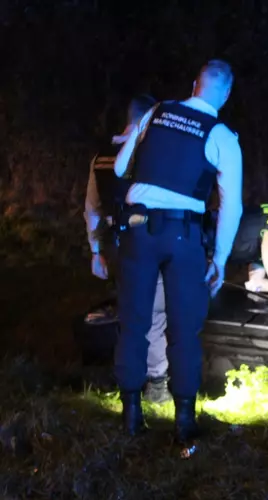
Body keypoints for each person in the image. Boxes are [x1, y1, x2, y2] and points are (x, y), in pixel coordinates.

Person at [112, 59, 244, 443]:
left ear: (194, 84)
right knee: (184, 329)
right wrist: (219, 259)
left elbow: (121, 168)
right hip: (184, 236)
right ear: (226, 94)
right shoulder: (222, 136)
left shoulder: (157, 112)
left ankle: (131, 416)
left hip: (138, 230)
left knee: (134, 323)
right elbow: (231, 205)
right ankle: (184, 421)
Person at [83, 94, 171, 405]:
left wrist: (96, 250)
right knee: (154, 312)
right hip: (144, 241)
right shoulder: (147, 153)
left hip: (116, 247)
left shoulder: (102, 156)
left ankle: (129, 378)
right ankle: (157, 382)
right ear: (147, 120)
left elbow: (92, 208)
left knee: (130, 310)